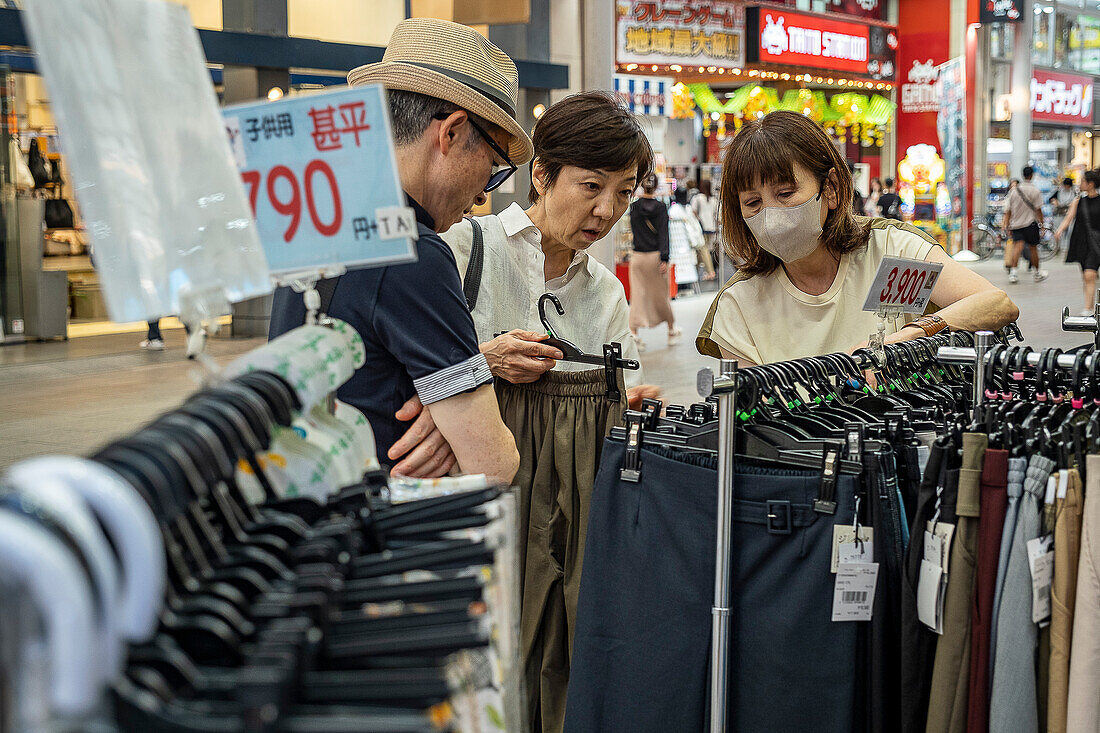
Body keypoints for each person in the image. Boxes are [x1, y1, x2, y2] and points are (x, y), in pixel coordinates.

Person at [435, 90, 660, 733]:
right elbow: (410, 375)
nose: (607, 210)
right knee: (493, 639)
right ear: (541, 173)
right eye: (591, 186)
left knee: (574, 635)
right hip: (491, 481)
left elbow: (628, 380)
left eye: (623, 192)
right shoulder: (465, 251)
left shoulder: (607, 293)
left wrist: (633, 400)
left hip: (583, 489)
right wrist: (486, 360)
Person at [268, 17, 525, 484]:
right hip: (385, 525)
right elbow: (494, 465)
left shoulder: (320, 222)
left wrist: (447, 408)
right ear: (450, 132)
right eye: (491, 167)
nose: (484, 194)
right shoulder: (414, 254)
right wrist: (458, 427)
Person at [696, 111, 1019, 366]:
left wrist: (908, 337)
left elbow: (996, 304)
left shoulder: (891, 250)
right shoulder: (738, 305)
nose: (771, 215)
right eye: (753, 203)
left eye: (786, 193)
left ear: (832, 188)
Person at [629, 175, 680, 349]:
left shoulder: (634, 208)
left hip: (637, 257)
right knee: (661, 296)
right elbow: (664, 234)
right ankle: (671, 330)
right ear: (657, 186)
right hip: (655, 257)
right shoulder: (660, 208)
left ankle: (634, 333)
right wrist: (665, 257)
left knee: (637, 295)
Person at [1056, 168, 1100, 315]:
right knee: (1086, 275)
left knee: (1089, 274)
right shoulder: (1078, 201)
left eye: (1083, 181)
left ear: (1091, 184)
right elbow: (1069, 217)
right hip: (1082, 242)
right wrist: (1060, 230)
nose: (1080, 183)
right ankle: (1090, 303)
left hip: (1097, 243)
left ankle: (1088, 308)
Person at [1002, 165, 1048, 284]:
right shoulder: (1035, 190)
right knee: (1033, 249)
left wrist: (1006, 225)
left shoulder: (1014, 191)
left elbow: (1008, 211)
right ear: (1032, 175)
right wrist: (1042, 225)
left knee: (1017, 248)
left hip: (1016, 225)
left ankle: (1013, 273)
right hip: (1030, 224)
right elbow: (1038, 210)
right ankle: (1037, 272)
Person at [668, 187, 702, 293]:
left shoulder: (674, 210)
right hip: (684, 244)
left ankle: (682, 286)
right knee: (687, 264)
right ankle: (685, 285)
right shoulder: (685, 209)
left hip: (677, 244)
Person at [691, 179, 719, 280]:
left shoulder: (697, 198)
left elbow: (693, 211)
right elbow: (716, 214)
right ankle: (695, 272)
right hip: (711, 228)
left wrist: (698, 219)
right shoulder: (713, 200)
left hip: (701, 228)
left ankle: (710, 272)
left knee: (703, 249)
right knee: (703, 250)